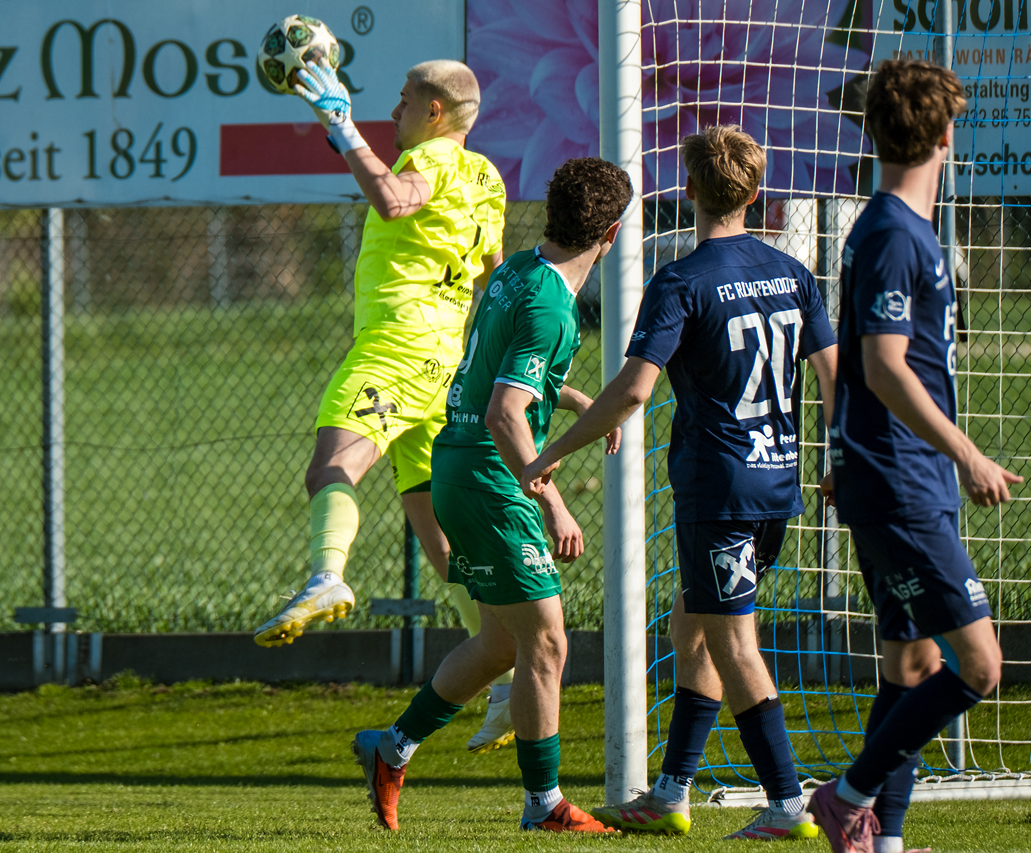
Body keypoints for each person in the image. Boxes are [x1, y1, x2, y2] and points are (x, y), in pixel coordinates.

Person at [520, 126, 837, 841]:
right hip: (777, 482)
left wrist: (554, 448)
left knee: (733, 641)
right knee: (692, 626)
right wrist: (837, 456)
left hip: (718, 487)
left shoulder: (681, 281)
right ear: (756, 193)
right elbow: (834, 376)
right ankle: (670, 793)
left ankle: (789, 803)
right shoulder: (793, 272)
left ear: (688, 190)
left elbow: (634, 390)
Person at [350, 157, 632, 833]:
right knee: (548, 641)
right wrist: (552, 501)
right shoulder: (552, 306)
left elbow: (494, 370)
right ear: (612, 234)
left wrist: (573, 399)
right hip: (490, 477)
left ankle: (392, 746)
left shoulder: (518, 272)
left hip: (458, 466)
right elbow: (506, 412)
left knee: (503, 641)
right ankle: (544, 804)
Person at [251, 58, 516, 752]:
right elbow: (492, 276)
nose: (393, 112)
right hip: (446, 359)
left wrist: (340, 127)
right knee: (441, 537)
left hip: (398, 346)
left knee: (331, 468)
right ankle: (507, 673)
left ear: (435, 111)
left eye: (403, 101)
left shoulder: (431, 156)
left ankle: (327, 577)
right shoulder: (487, 178)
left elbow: (396, 200)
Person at [807, 58, 1019, 853]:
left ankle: (883, 841)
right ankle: (847, 797)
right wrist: (968, 453)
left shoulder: (896, 228)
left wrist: (844, 449)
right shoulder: (896, 232)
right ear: (944, 135)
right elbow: (884, 364)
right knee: (979, 664)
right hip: (902, 481)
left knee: (912, 662)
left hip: (891, 472)